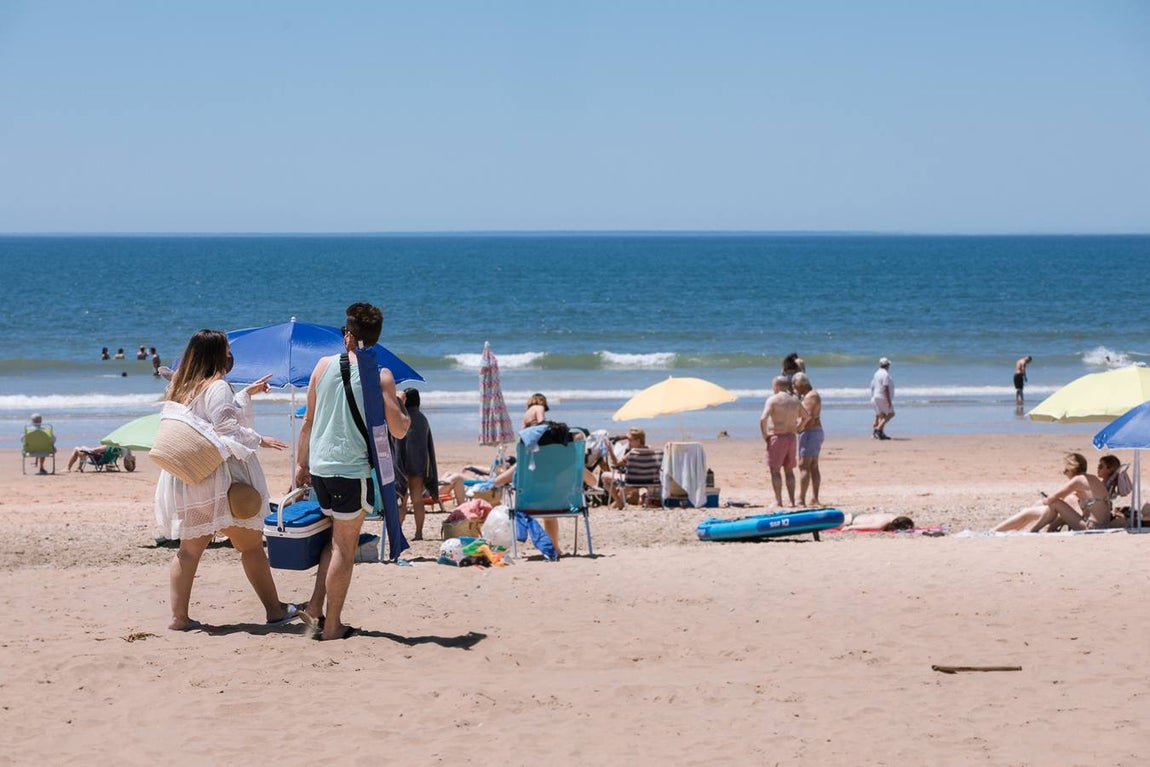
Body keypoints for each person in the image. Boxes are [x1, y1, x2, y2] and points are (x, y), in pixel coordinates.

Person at [154, 329, 295, 632]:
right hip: (220, 478)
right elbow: (226, 429)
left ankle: (179, 617)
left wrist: (245, 394)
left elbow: (205, 420)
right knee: (251, 547)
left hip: (191, 476)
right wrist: (262, 439)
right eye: (228, 350)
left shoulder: (182, 387)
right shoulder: (217, 387)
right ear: (217, 355)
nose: (231, 356)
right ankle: (274, 610)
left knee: (189, 550)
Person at [295, 303, 410, 641]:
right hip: (351, 470)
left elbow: (308, 421)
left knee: (335, 540)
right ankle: (332, 627)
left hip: (320, 467)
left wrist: (301, 465)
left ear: (347, 333)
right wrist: (401, 402)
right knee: (345, 548)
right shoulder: (380, 375)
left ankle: (316, 608)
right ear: (375, 338)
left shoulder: (321, 366)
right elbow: (400, 429)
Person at [993, 453, 1111, 533]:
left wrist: (1044, 500)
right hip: (1102, 525)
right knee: (1060, 502)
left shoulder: (1078, 480)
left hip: (1092, 527)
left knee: (1054, 503)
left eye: (1066, 470)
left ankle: (1032, 531)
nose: (1065, 473)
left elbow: (1052, 499)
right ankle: (1024, 529)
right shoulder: (1091, 479)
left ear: (1072, 469)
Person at [395, 387, 438, 541]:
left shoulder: (400, 418)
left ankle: (398, 533)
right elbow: (427, 446)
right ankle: (418, 533)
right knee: (417, 500)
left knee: (402, 500)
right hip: (418, 466)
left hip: (402, 465)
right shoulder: (422, 419)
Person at [760, 375, 802, 507]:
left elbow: (763, 418)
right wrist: (797, 428)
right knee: (789, 471)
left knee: (775, 470)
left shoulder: (773, 400)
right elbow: (805, 417)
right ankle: (792, 501)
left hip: (777, 436)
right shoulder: (795, 400)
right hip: (791, 436)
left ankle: (778, 501)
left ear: (776, 386)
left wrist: (765, 435)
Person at [602, 428, 659, 509]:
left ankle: (618, 502)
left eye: (630, 440)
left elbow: (617, 464)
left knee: (604, 476)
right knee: (622, 491)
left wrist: (610, 451)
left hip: (632, 482)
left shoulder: (632, 452)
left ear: (638, 440)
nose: (628, 442)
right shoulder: (651, 451)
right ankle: (618, 502)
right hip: (648, 482)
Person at [793, 372, 823, 507]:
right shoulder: (810, 395)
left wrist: (797, 429)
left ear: (801, 384)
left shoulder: (811, 396)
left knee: (804, 465)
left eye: (795, 384)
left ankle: (801, 499)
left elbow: (808, 417)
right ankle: (814, 498)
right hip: (814, 432)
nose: (794, 387)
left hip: (810, 432)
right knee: (813, 466)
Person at [870, 357, 895, 440]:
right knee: (891, 414)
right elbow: (885, 387)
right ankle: (878, 429)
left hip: (876, 396)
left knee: (882, 415)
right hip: (882, 397)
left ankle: (880, 434)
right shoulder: (885, 374)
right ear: (887, 365)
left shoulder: (876, 373)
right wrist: (888, 400)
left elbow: (873, 385)